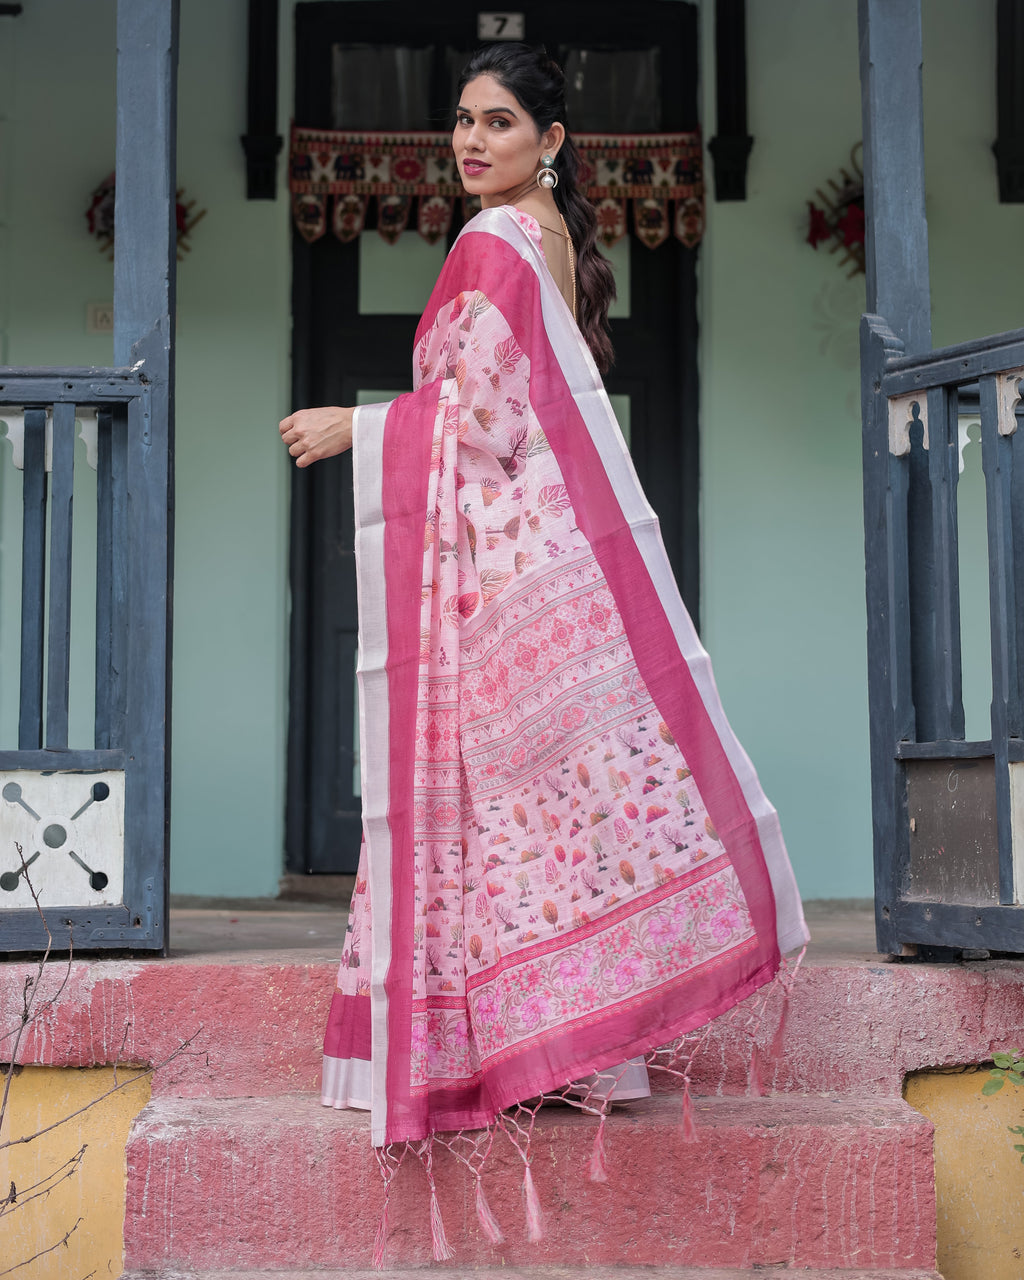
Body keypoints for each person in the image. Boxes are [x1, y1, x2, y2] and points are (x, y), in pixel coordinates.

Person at [280, 39, 806, 1241]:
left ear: (550, 142)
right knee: (549, 797)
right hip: (548, 550)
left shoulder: (493, 242)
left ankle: (530, 1043)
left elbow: (479, 416)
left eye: (500, 123)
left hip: (507, 567)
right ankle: (589, 1050)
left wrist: (353, 426)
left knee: (498, 794)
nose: (472, 141)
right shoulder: (547, 237)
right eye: (462, 121)